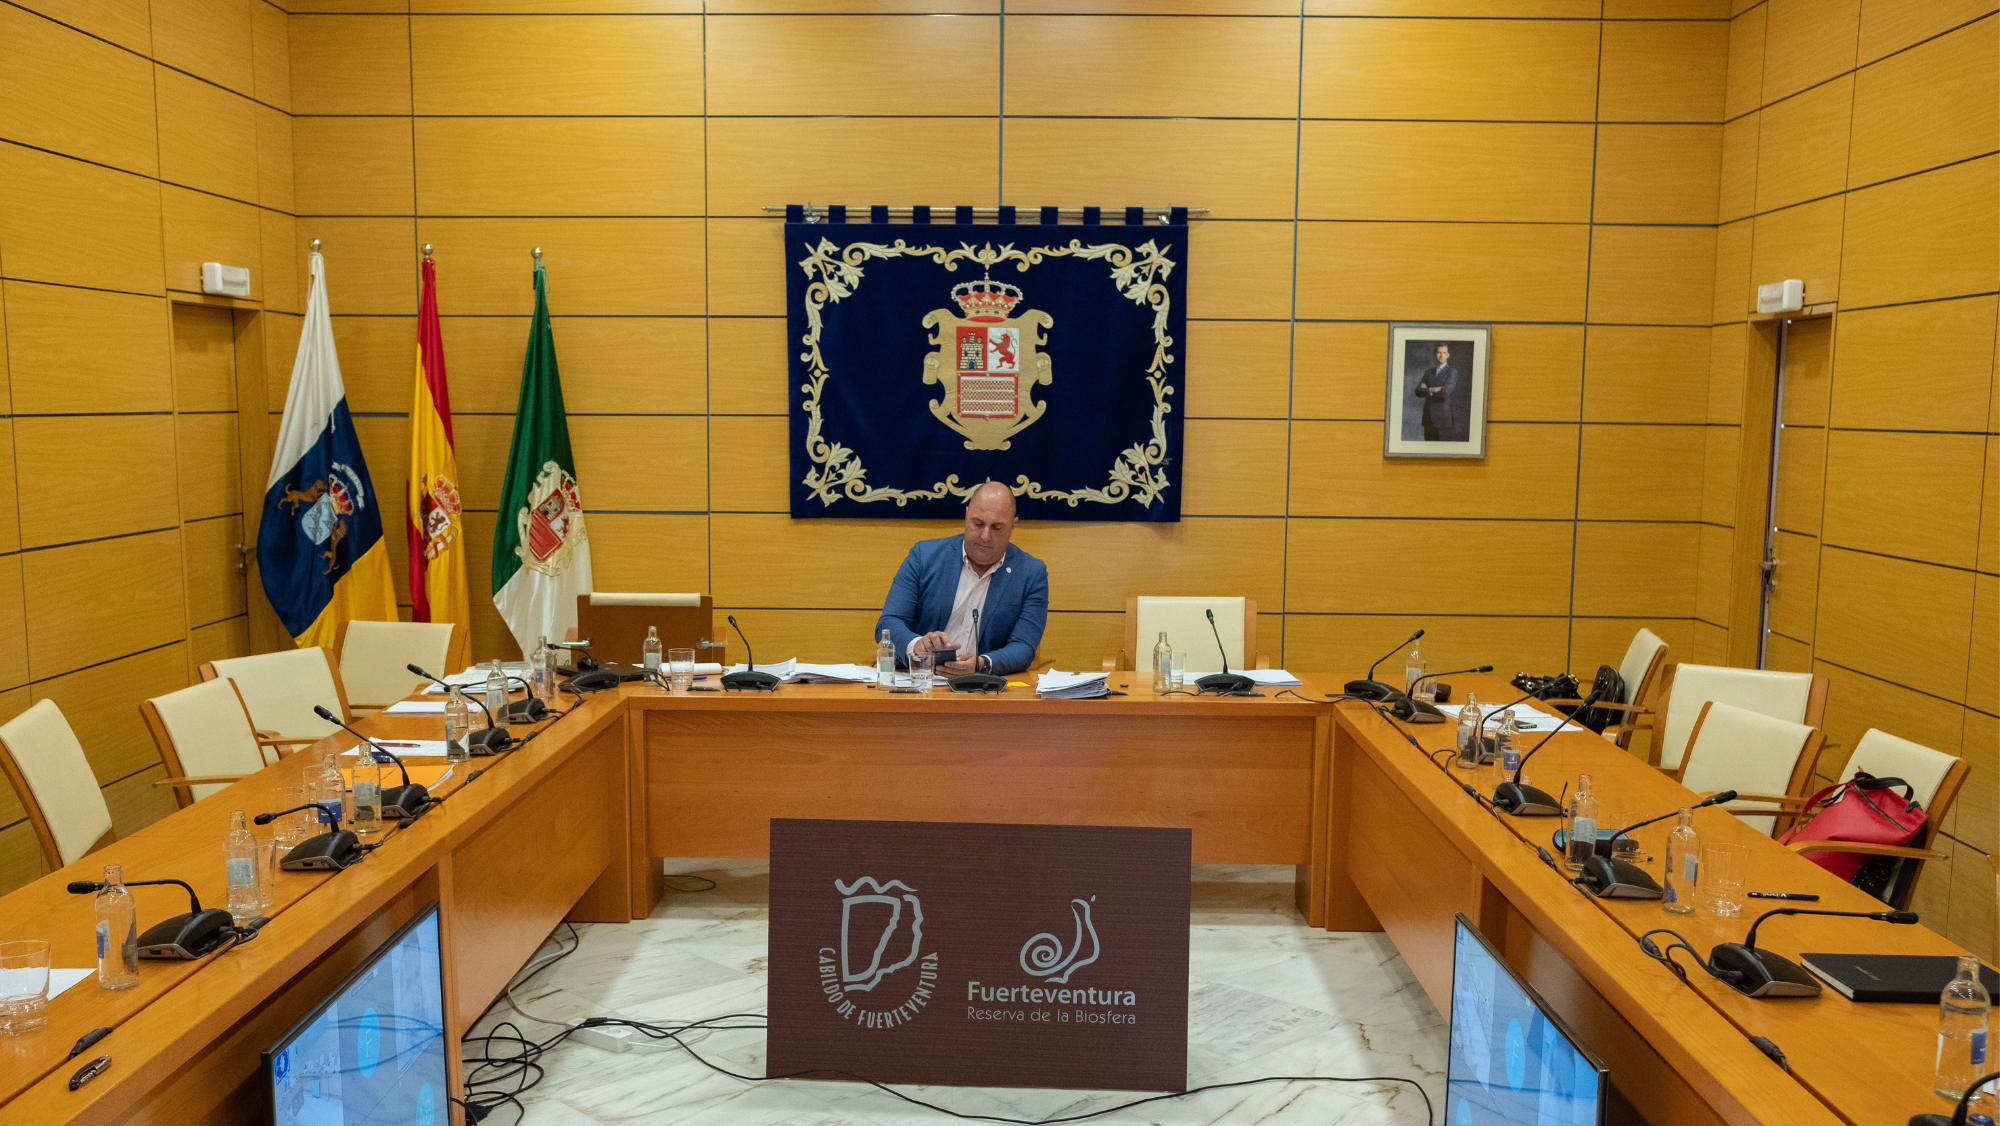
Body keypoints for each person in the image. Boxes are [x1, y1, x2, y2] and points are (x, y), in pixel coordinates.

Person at [878, 481, 1048, 677]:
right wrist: (917, 645)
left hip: (985, 689)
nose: (985, 535)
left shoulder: (1031, 574)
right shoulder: (923, 557)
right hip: (922, 682)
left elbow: (1024, 646)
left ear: (1013, 526)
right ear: (966, 515)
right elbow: (889, 622)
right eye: (978, 523)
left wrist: (982, 664)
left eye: (997, 527)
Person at [1413, 342, 1460, 442]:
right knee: (1428, 453)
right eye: (1438, 352)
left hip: (1443, 420)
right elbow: (1417, 391)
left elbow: (1444, 393)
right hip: (1428, 419)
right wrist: (1433, 389)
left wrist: (1427, 389)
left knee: (1443, 453)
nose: (1441, 355)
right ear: (1435, 354)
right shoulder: (1428, 372)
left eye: (1444, 352)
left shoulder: (1452, 372)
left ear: (1448, 355)